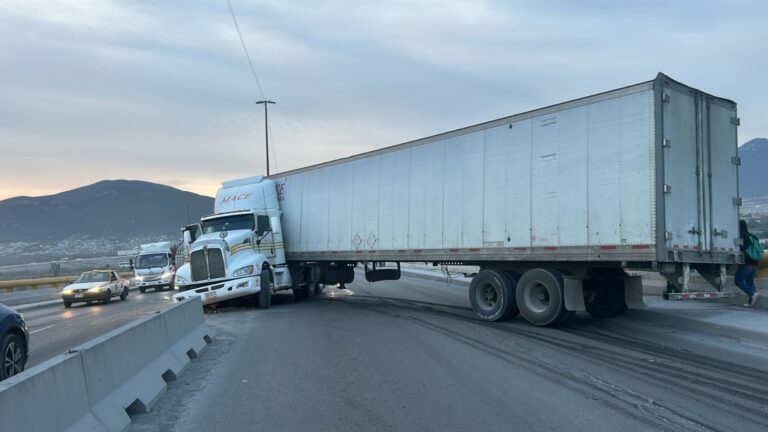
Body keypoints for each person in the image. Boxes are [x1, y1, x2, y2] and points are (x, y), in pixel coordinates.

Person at [735, 220, 760, 307]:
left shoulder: (741, 236)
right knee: (750, 282)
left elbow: (740, 249)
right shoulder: (751, 236)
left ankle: (752, 294)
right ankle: (751, 302)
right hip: (754, 264)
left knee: (738, 281)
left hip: (746, 263)